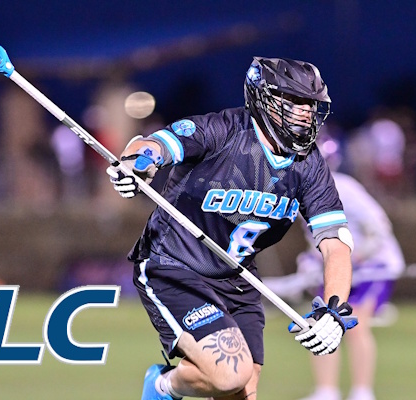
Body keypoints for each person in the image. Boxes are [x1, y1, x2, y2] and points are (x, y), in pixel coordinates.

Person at [106, 57, 357, 400]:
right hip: (176, 264)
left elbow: (336, 242)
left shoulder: (309, 165)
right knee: (229, 374)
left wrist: (334, 309)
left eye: (310, 105)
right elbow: (156, 144)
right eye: (294, 101)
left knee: (243, 389)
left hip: (237, 277)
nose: (305, 113)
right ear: (263, 99)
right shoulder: (223, 130)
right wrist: (138, 163)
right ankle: (162, 386)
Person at [297, 135, 405, 400]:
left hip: (373, 266)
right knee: (321, 323)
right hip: (340, 267)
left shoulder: (346, 188)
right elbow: (316, 239)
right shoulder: (300, 193)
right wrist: (310, 261)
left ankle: (362, 392)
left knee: (356, 324)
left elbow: (379, 229)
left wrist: (357, 256)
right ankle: (326, 391)